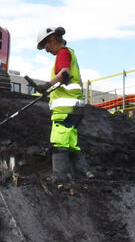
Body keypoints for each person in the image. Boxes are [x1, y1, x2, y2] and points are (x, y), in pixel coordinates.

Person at [26, 26, 90, 187]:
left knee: (59, 141)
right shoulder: (70, 53)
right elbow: (68, 79)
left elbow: (64, 72)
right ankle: (82, 174)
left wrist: (46, 85)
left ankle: (60, 178)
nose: (46, 50)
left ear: (53, 39)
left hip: (65, 108)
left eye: (46, 45)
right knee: (71, 143)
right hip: (76, 107)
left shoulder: (63, 53)